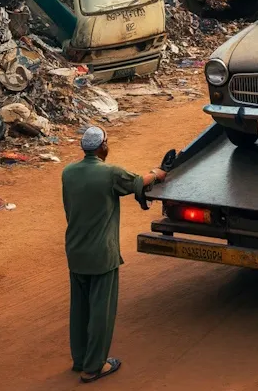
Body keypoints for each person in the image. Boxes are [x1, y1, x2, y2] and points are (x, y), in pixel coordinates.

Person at [62, 127, 167, 383]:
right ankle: (95, 366)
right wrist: (157, 173)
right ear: (102, 147)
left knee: (79, 308)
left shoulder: (68, 173)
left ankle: (80, 360)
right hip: (101, 254)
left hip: (75, 251)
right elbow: (138, 182)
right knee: (101, 311)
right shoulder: (110, 173)